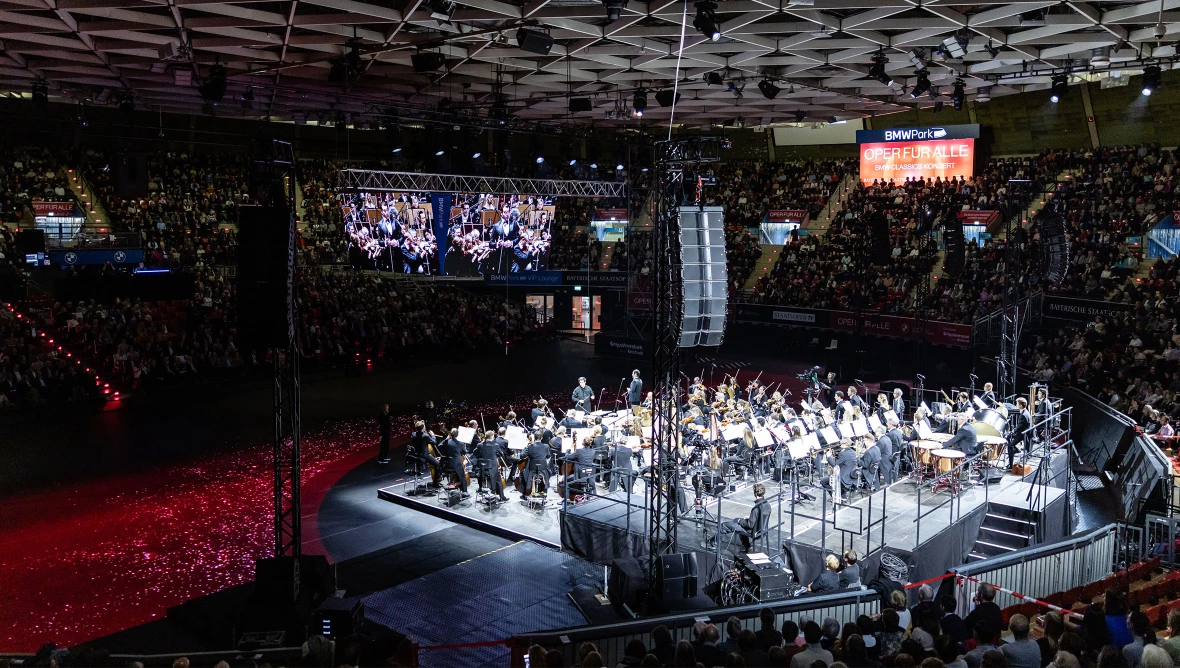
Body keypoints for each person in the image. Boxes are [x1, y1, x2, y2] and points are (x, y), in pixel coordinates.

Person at [718, 483, 770, 551]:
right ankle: (746, 545)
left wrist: (740, 521)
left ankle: (713, 543)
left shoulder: (756, 509)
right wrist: (751, 518)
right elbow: (760, 517)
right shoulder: (767, 505)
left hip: (754, 531)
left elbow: (749, 525)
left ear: (755, 493)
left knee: (725, 525)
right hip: (762, 530)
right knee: (737, 522)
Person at [474, 431, 509, 501]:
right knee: (499, 480)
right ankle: (502, 496)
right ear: (492, 437)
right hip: (492, 470)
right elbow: (501, 454)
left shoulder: (480, 445)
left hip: (482, 469)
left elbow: (475, 453)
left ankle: (481, 489)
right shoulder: (495, 445)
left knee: (481, 475)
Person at [436, 427, 469, 495]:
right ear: (457, 435)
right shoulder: (460, 443)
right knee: (463, 476)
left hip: (447, 466)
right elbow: (464, 452)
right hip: (456, 466)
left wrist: (446, 439)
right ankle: (465, 491)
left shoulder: (447, 442)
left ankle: (451, 483)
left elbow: (439, 446)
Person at [1009, 398, 1032, 468]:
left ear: (1021, 405)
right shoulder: (1025, 412)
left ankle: (1011, 464)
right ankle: (1016, 450)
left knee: (1010, 445)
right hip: (1025, 432)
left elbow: (1019, 426)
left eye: (1017, 404)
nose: (1016, 405)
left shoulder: (1023, 415)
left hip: (1022, 434)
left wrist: (1013, 431)